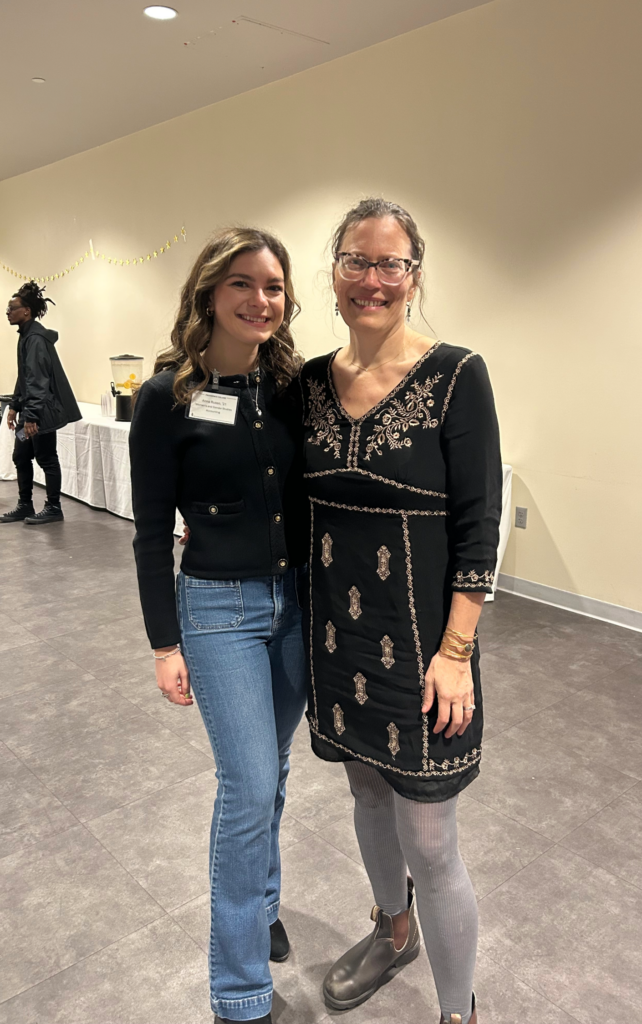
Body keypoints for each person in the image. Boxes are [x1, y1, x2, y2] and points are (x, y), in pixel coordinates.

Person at [299, 198, 502, 1024]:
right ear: (334, 273)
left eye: (392, 264)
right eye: (357, 260)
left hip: (424, 651)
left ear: (415, 278)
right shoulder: (308, 384)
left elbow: (478, 525)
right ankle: (393, 929)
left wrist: (456, 652)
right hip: (339, 642)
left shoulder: (458, 375)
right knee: (366, 798)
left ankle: (459, 1011)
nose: (373, 279)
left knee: (432, 840)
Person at [129, 228, 309, 1024]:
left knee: (274, 772)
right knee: (246, 787)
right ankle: (238, 994)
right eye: (243, 283)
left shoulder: (297, 387)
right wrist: (163, 643)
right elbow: (145, 531)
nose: (259, 300)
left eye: (273, 286)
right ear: (209, 292)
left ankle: (262, 900)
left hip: (298, 607)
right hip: (216, 610)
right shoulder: (166, 396)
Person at [1, 281, 81, 525]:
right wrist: (15, 405)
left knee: (46, 458)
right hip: (31, 409)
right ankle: (25, 505)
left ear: (26, 311)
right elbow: (24, 376)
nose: (7, 312)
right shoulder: (26, 336)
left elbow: (38, 380)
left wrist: (32, 416)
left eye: (12, 308)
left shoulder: (35, 339)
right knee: (21, 456)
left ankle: (54, 507)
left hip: (42, 411)